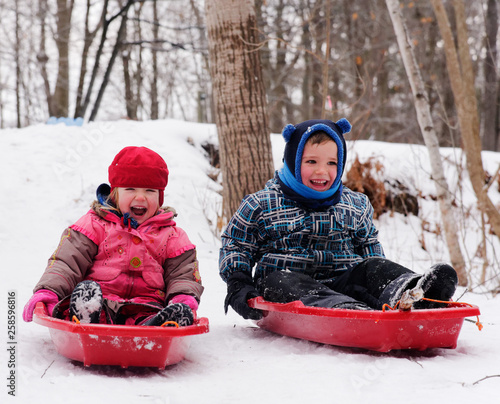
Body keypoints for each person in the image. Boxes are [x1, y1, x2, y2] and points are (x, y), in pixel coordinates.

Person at [219, 119, 458, 320]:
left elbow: (368, 248)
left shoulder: (354, 204)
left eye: (332, 163)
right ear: (293, 161)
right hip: (288, 284)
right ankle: (344, 310)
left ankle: (415, 294)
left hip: (345, 279)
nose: (322, 171)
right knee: (279, 280)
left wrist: (379, 278)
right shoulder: (262, 204)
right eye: (311, 161)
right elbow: (236, 244)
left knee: (372, 266)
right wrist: (238, 283)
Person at [23, 146, 203, 326]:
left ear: (160, 197)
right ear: (115, 194)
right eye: (130, 189)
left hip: (147, 308)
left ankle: (161, 326)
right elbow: (67, 262)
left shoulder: (172, 236)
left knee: (154, 317)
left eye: (150, 191)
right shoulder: (94, 225)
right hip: (99, 303)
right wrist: (49, 291)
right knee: (88, 298)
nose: (140, 197)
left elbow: (182, 274)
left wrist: (182, 298)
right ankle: (86, 318)